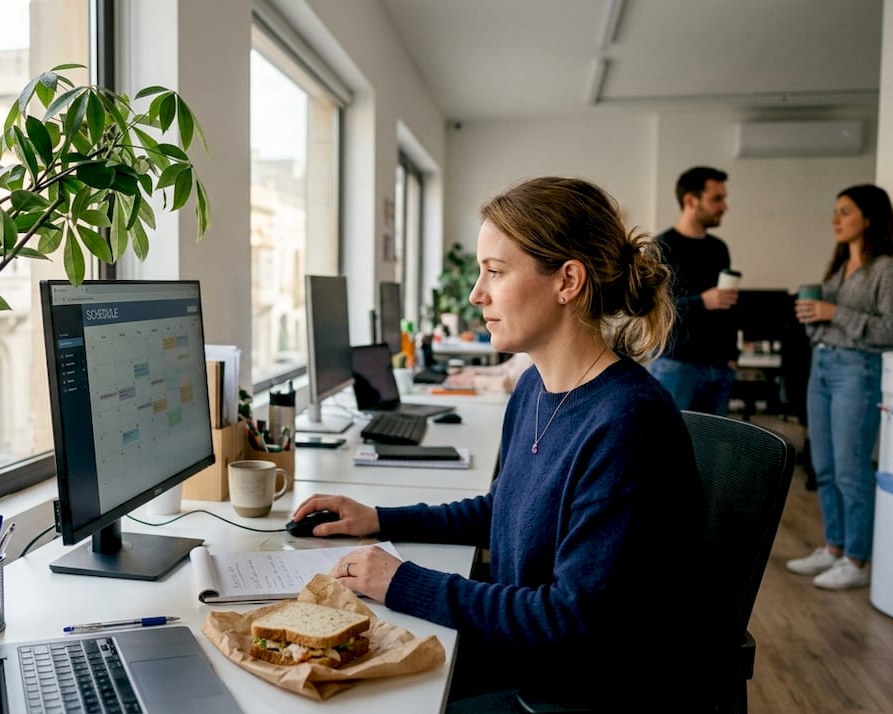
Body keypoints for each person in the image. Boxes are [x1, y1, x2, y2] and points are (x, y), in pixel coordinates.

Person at [291, 177, 709, 709]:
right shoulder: (537, 385)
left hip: (574, 688)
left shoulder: (627, 422)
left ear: (568, 281)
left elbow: (569, 619)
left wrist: (403, 582)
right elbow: (507, 508)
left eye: (495, 272)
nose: (475, 294)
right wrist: (380, 517)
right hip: (521, 654)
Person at [786, 184, 893, 591]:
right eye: (835, 211)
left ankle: (858, 559)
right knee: (825, 466)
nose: (836, 219)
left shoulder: (888, 269)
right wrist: (815, 317)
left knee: (852, 469)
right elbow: (834, 320)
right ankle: (834, 547)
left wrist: (834, 312)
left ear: (869, 217)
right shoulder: (840, 269)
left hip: (858, 371)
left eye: (846, 211)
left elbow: (891, 330)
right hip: (822, 365)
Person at [646, 166, 739, 415]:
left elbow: (727, 310)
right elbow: (650, 309)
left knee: (715, 450)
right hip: (676, 365)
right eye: (717, 198)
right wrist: (703, 301)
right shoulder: (661, 247)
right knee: (673, 449)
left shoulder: (719, 248)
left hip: (720, 367)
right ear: (690, 200)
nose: (724, 206)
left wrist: (732, 356)